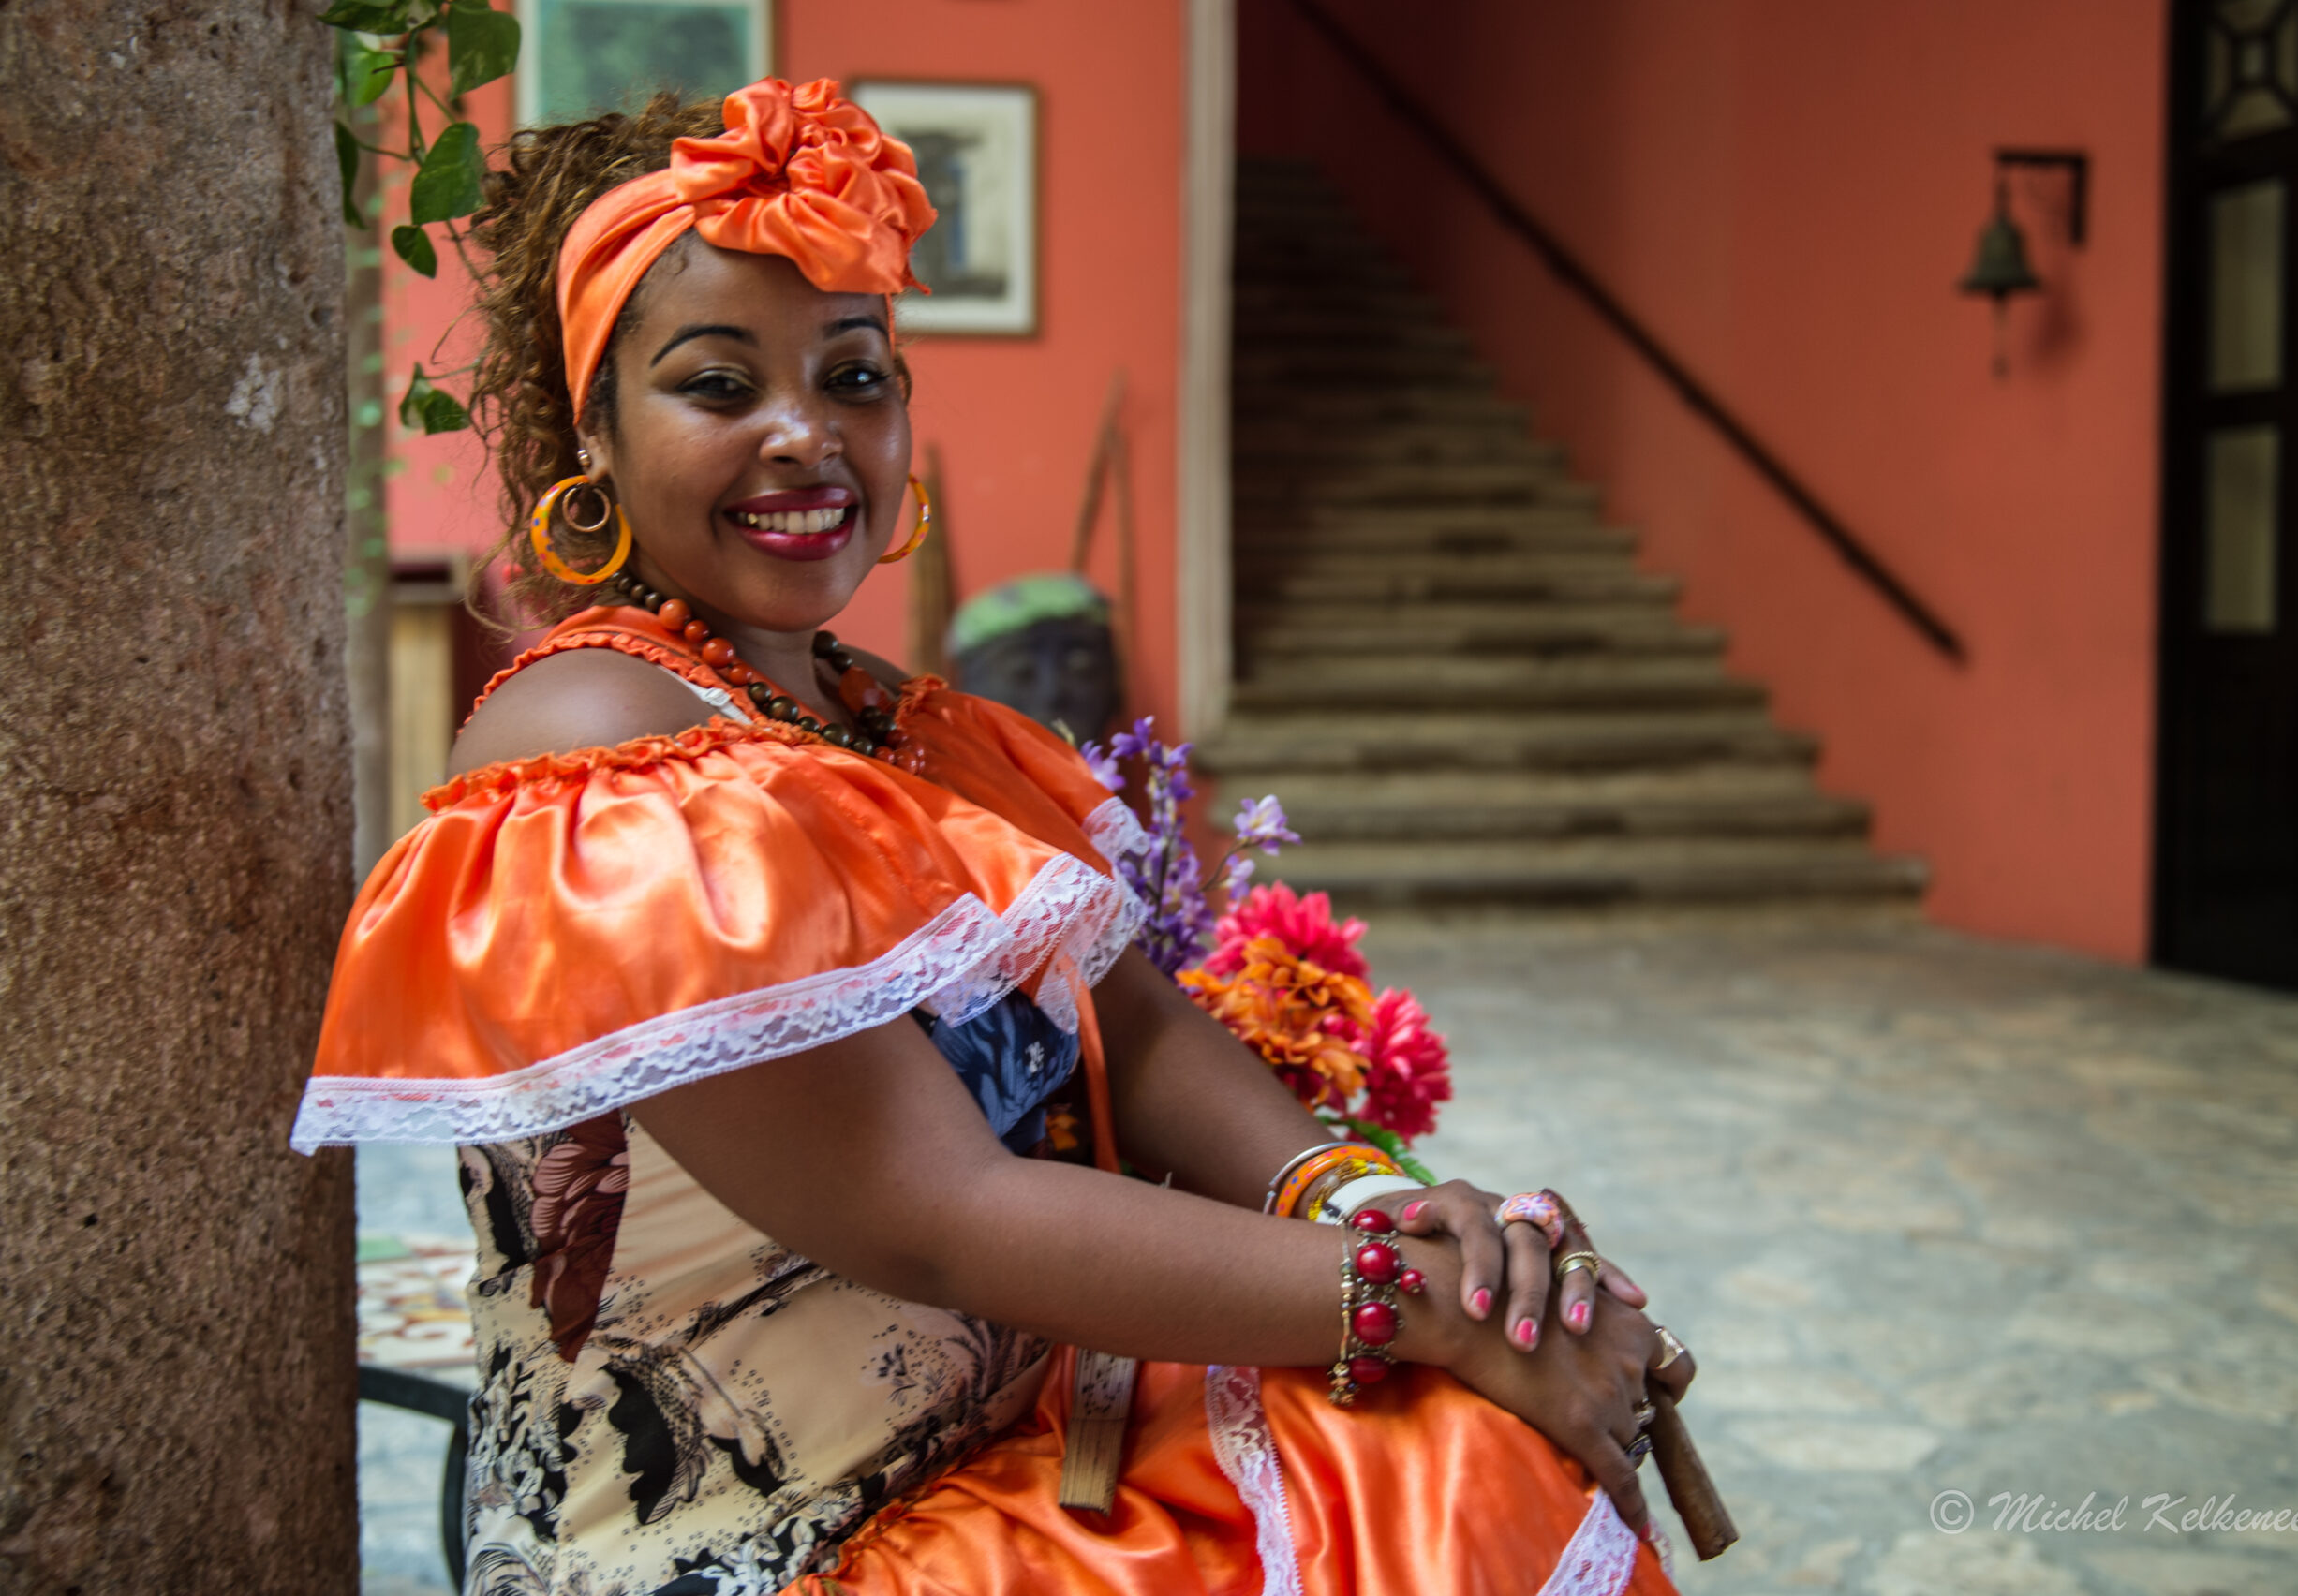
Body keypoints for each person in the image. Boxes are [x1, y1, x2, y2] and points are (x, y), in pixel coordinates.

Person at [299, 78, 1693, 1596]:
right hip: (764, 1548)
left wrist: (1364, 1202)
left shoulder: (886, 723)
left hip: (1008, 1451)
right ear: (598, 429)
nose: (804, 435)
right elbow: (936, 1213)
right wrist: (1421, 1303)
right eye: (717, 386)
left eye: (853, 376)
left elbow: (1132, 1026)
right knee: (1449, 1459)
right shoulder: (591, 743)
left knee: (1447, 1441)